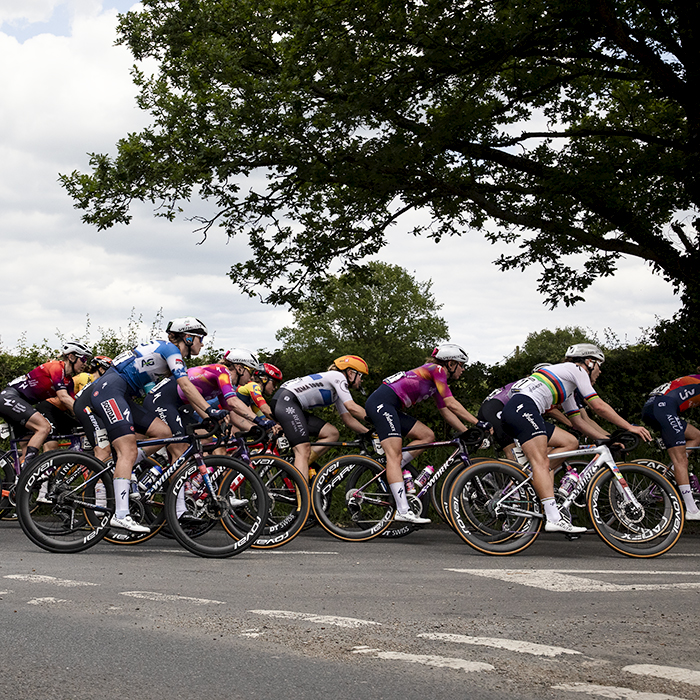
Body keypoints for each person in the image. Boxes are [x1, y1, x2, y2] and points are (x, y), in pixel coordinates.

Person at [84, 317, 225, 533]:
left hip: (122, 394)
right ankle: (121, 514)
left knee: (163, 432)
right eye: (200, 338)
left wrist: (204, 413)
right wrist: (210, 410)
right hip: (110, 390)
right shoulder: (170, 351)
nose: (202, 343)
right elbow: (186, 386)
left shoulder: (168, 353)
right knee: (128, 449)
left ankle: (128, 468)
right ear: (188, 337)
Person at [501, 343, 651, 534]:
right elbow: (598, 406)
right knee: (540, 460)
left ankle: (533, 478)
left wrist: (608, 440)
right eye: (599, 365)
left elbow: (578, 422)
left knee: (570, 441)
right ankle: (553, 518)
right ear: (589, 362)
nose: (600, 371)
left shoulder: (567, 385)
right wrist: (630, 427)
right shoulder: (576, 369)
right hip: (523, 408)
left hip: (520, 410)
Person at [365, 344, 488, 525]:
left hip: (391, 407)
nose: (463, 370)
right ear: (451, 363)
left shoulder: (435, 380)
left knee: (427, 435)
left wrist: (467, 432)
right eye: (462, 365)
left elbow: (446, 411)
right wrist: (478, 423)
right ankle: (403, 510)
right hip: (382, 404)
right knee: (394, 454)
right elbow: (452, 403)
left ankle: (392, 469)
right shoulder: (437, 369)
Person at [272, 355, 371, 480]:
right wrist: (377, 420)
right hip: (286, 402)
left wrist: (369, 433)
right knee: (303, 451)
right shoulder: (338, 376)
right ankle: (304, 497)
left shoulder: (337, 388)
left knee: (332, 433)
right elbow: (352, 407)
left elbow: (348, 418)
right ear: (350, 373)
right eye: (360, 376)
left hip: (287, 403)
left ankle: (298, 468)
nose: (361, 380)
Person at [0, 341, 92, 467]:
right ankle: (28, 472)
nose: (85, 363)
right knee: (44, 427)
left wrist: (88, 419)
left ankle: (15, 480)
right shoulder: (56, 367)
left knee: (29, 445)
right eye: (83, 359)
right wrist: (87, 415)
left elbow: (72, 406)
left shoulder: (69, 381)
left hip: (20, 402)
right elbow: (64, 397)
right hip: (10, 397)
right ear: (71, 357)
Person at [641, 370, 700, 520]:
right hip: (662, 408)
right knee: (681, 460)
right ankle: (692, 510)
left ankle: (674, 470)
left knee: (696, 436)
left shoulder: (694, 379)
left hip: (655, 407)